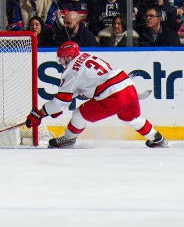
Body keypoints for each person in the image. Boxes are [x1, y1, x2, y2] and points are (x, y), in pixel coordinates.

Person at [26, 41, 168, 148]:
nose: (60, 62)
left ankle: (69, 139)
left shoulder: (71, 71)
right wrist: (54, 110)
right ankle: (158, 138)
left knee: (78, 114)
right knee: (132, 118)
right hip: (128, 87)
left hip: (114, 96)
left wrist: (41, 113)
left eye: (62, 58)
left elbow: (61, 102)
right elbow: (81, 86)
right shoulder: (86, 56)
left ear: (69, 57)